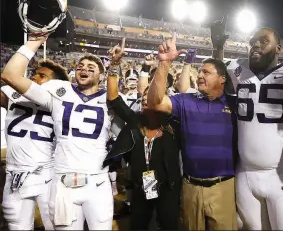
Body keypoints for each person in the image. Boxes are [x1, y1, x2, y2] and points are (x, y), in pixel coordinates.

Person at [1, 34, 115, 230]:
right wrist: (34, 42)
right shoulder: (59, 92)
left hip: (96, 180)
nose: (84, 69)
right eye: (80, 66)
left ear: (102, 76)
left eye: (91, 68)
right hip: (61, 181)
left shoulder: (110, 100)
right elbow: (11, 76)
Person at [211, 22, 283, 230]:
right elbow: (218, 78)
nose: (256, 45)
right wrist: (217, 48)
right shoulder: (238, 69)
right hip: (245, 173)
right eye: (252, 42)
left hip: (282, 173)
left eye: (263, 41)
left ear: (279, 48)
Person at [147, 33, 238, 230]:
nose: (200, 75)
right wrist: (164, 64)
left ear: (222, 79)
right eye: (200, 72)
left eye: (206, 72)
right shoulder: (185, 101)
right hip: (190, 187)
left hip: (223, 187)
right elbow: (154, 102)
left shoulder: (235, 104)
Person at [103, 44, 181, 230]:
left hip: (169, 185)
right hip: (142, 183)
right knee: (140, 224)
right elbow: (114, 99)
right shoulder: (136, 121)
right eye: (144, 98)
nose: (146, 100)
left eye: (151, 98)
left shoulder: (174, 124)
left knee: (169, 224)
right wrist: (114, 65)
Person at [0, 54, 69, 230]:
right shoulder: (13, 94)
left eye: (42, 75)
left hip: (48, 174)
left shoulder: (62, 101)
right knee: (17, 226)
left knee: (57, 225)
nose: (34, 77)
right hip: (15, 175)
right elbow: (9, 75)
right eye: (35, 73)